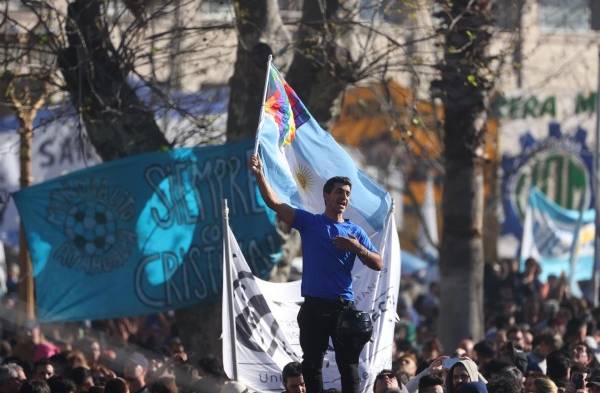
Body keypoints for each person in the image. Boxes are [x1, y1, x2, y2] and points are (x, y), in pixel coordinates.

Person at [249, 154, 382, 393]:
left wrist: (357, 248)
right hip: (314, 306)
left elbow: (378, 263)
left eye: (347, 194)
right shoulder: (310, 223)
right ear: (326, 195)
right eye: (339, 192)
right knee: (311, 365)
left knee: (348, 365)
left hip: (344, 307)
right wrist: (260, 175)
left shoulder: (354, 231)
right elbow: (275, 204)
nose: (344, 198)